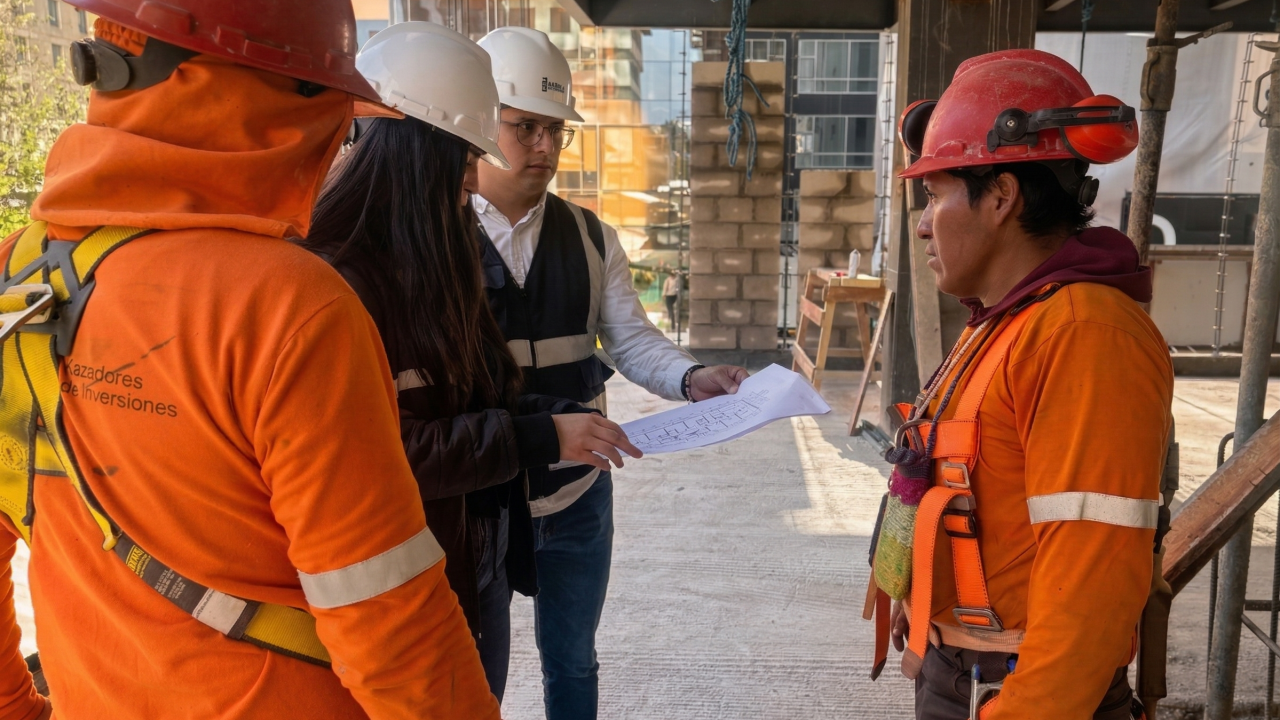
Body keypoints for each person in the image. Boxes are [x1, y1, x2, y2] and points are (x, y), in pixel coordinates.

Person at [0, 3, 500, 718]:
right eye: (337, 115)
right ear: (281, 105)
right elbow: (386, 617)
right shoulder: (290, 309)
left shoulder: (18, 281)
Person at [303, 21, 639, 702]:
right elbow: (387, 449)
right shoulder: (337, 287)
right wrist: (538, 435)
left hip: (472, 546)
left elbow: (478, 392)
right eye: (464, 163)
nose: (471, 182)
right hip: (394, 588)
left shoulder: (443, 257)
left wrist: (553, 422)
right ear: (413, 158)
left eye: (554, 130)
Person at [869, 49, 1173, 719]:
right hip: (966, 669)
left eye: (936, 194)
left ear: (1001, 196)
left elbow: (1091, 595)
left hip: (1021, 692)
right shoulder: (1007, 322)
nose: (922, 222)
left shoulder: (1086, 336)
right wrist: (929, 612)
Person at [473, 26, 750, 720]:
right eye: (524, 127)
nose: (543, 147)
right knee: (475, 673)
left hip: (577, 492)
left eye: (555, 131)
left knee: (573, 661)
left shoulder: (592, 237)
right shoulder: (432, 236)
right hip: (474, 497)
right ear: (479, 122)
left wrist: (690, 379)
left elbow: (630, 338)